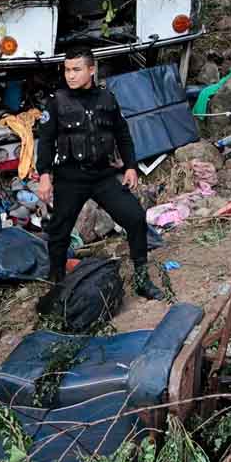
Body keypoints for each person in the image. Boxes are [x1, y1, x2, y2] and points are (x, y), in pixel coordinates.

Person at [36, 48, 164, 300]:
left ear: (91, 70)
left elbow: (122, 133)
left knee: (135, 218)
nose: (70, 76)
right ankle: (57, 285)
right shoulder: (57, 101)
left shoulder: (107, 99)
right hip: (70, 177)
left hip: (102, 175)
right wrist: (44, 175)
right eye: (67, 70)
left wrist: (130, 165)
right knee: (59, 232)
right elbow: (46, 141)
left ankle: (141, 280)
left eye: (76, 70)